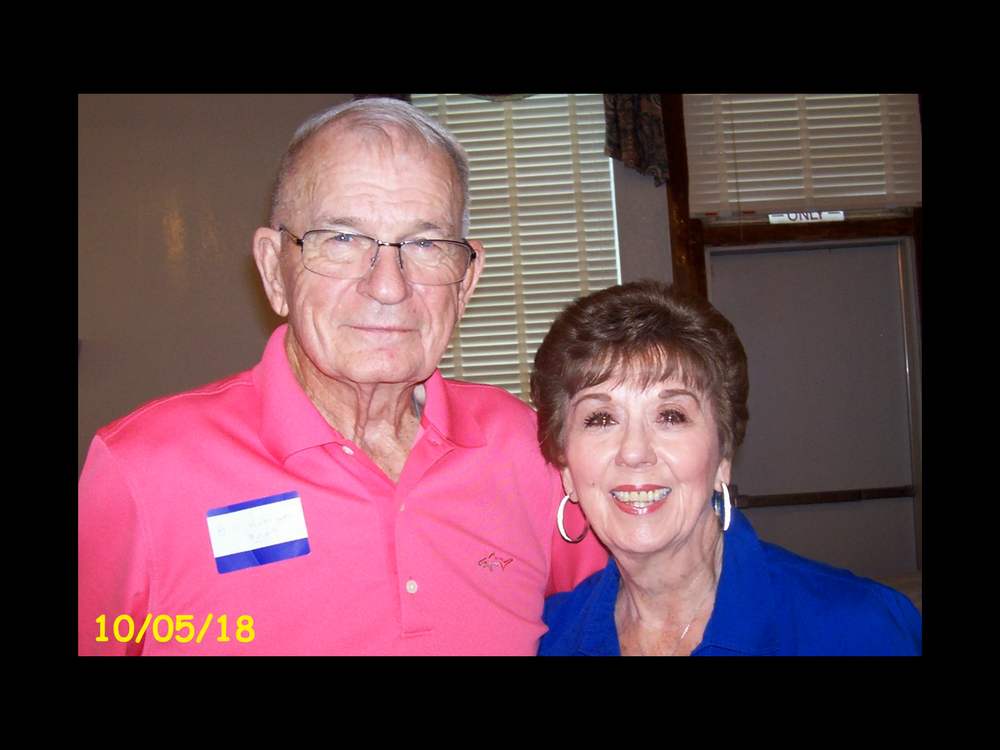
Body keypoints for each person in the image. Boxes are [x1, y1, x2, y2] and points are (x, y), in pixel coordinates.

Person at [78, 98, 605, 655]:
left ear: (466, 280)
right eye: (342, 239)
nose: (388, 286)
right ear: (274, 270)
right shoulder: (145, 470)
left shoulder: (531, 449)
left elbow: (617, 622)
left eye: (425, 244)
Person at [532, 280, 922, 656]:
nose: (634, 452)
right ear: (566, 468)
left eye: (671, 415)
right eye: (600, 419)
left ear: (723, 456)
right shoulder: (548, 638)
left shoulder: (857, 627)